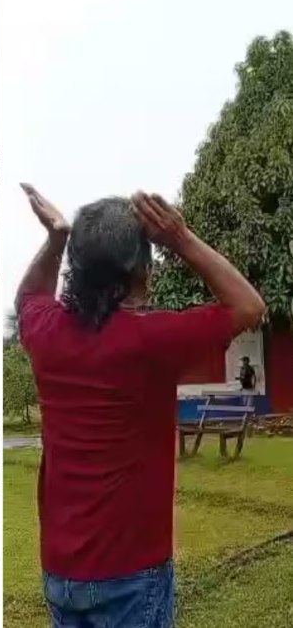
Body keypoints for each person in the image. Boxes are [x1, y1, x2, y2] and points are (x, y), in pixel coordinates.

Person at [17, 185, 265, 628]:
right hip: (131, 574)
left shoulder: (45, 332)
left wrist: (55, 239)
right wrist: (181, 238)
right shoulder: (152, 340)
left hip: (60, 572)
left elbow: (28, 298)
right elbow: (249, 306)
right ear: (144, 273)